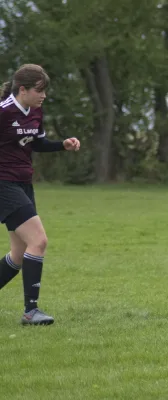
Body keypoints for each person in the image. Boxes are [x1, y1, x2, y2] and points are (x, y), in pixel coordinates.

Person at [0, 64, 80, 326]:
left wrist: (62, 145)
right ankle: (30, 311)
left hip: (24, 183)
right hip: (4, 184)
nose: (43, 96)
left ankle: (30, 311)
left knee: (18, 253)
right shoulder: (3, 113)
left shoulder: (35, 111)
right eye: (39, 90)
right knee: (39, 240)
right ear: (22, 90)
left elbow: (37, 143)